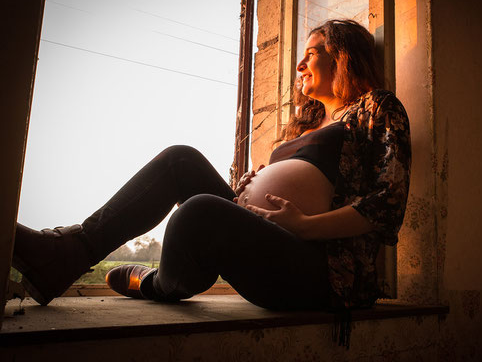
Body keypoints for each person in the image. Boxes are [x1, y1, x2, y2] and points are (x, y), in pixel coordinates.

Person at [12, 19, 411, 347]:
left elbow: (387, 202)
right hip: (272, 243)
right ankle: (67, 253)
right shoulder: (306, 124)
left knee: (199, 211)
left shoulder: (376, 107)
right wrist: (249, 188)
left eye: (311, 54)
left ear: (343, 56)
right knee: (180, 159)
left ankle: (156, 284)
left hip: (319, 269)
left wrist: (303, 225)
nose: (299, 66)